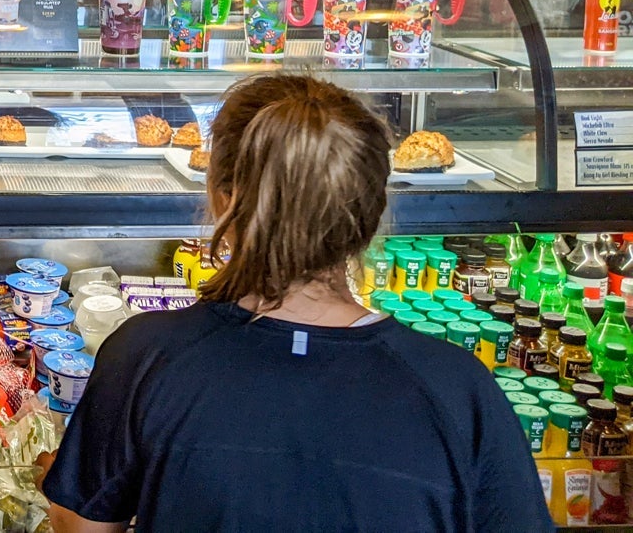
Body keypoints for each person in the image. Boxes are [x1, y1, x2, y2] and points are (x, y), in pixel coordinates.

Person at [39, 74, 552, 532]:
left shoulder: (146, 355)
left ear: (222, 199)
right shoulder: (459, 388)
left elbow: (83, 526)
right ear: (373, 214)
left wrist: (57, 484)